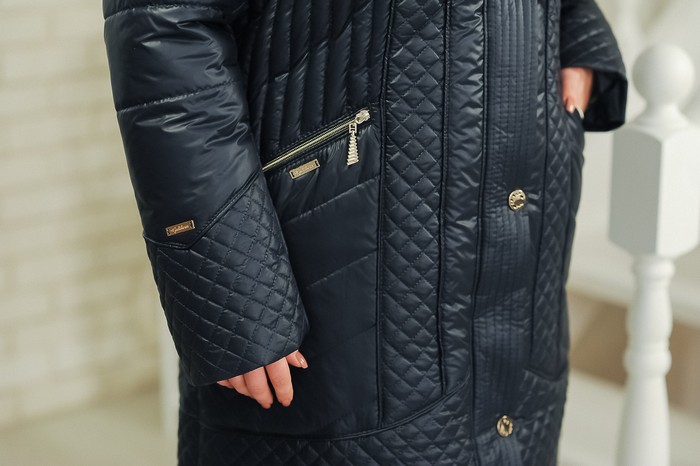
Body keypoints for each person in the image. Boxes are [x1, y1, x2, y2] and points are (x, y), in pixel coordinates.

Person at [102, 1, 627, 464]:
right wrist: (235, 286)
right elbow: (164, 22)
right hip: (341, 247)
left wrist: (577, 27)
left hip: (519, 234)